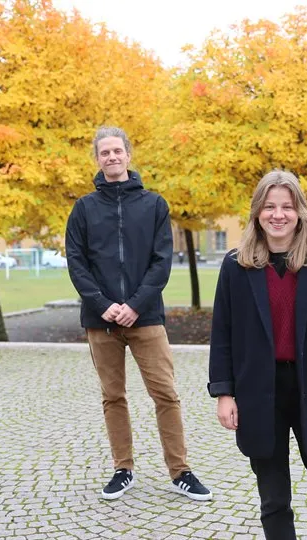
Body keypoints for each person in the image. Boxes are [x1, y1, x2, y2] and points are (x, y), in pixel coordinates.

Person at [208, 170, 307, 540]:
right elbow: (223, 334)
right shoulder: (237, 265)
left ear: (300, 212)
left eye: (287, 207)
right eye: (269, 207)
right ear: (257, 212)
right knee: (274, 501)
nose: (278, 215)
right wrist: (224, 393)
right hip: (260, 391)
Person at [65, 126, 211, 502]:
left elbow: (162, 262)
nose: (111, 157)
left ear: (128, 155)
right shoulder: (83, 208)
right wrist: (105, 305)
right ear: (97, 159)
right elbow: (77, 265)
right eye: (104, 153)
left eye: (117, 151)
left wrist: (134, 305)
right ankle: (122, 468)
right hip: (101, 321)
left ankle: (180, 471)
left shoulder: (154, 204)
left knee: (165, 394)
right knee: (113, 397)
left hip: (145, 318)